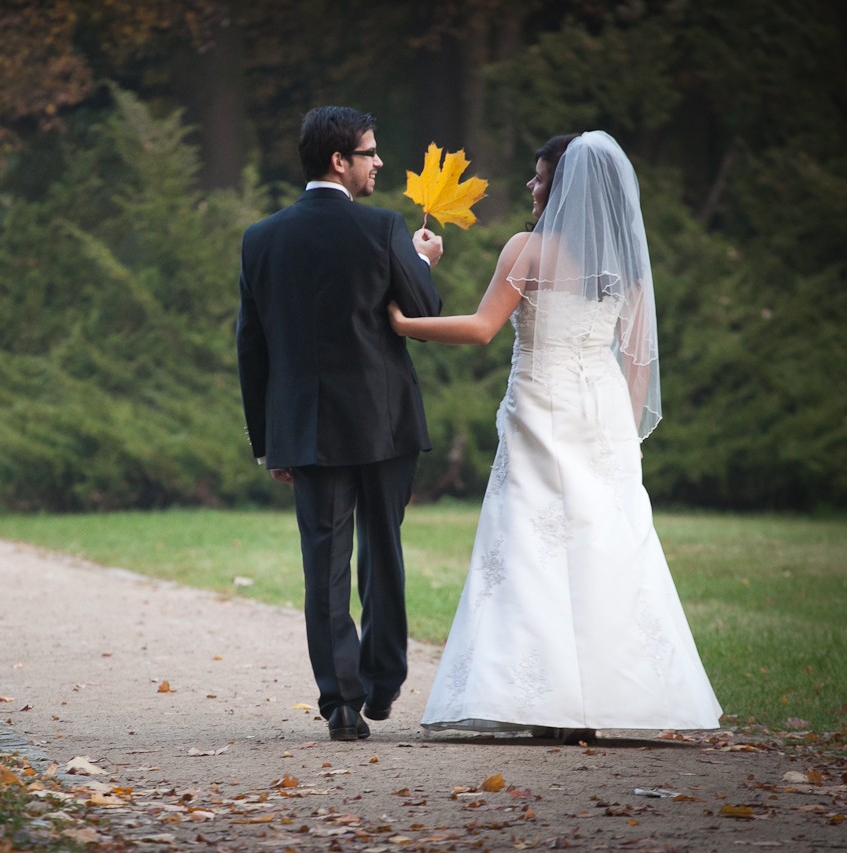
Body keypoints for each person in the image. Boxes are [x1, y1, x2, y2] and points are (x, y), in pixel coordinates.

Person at [389, 131, 722, 741]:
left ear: (563, 188)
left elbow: (482, 327)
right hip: (601, 418)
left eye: (539, 177)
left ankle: (536, 701)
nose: (530, 186)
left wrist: (406, 322)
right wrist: (619, 439)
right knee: (605, 548)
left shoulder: (528, 249)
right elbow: (638, 368)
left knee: (528, 546)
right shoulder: (628, 266)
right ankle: (611, 700)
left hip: (540, 410)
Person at [236, 106, 444, 741]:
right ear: (339, 161)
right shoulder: (384, 229)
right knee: (383, 551)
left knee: (323, 561)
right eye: (370, 152)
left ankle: (341, 703)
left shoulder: (260, 238)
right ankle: (382, 684)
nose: (379, 162)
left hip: (306, 429)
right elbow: (425, 310)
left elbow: (252, 344)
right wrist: (423, 261)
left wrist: (267, 439)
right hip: (384, 425)